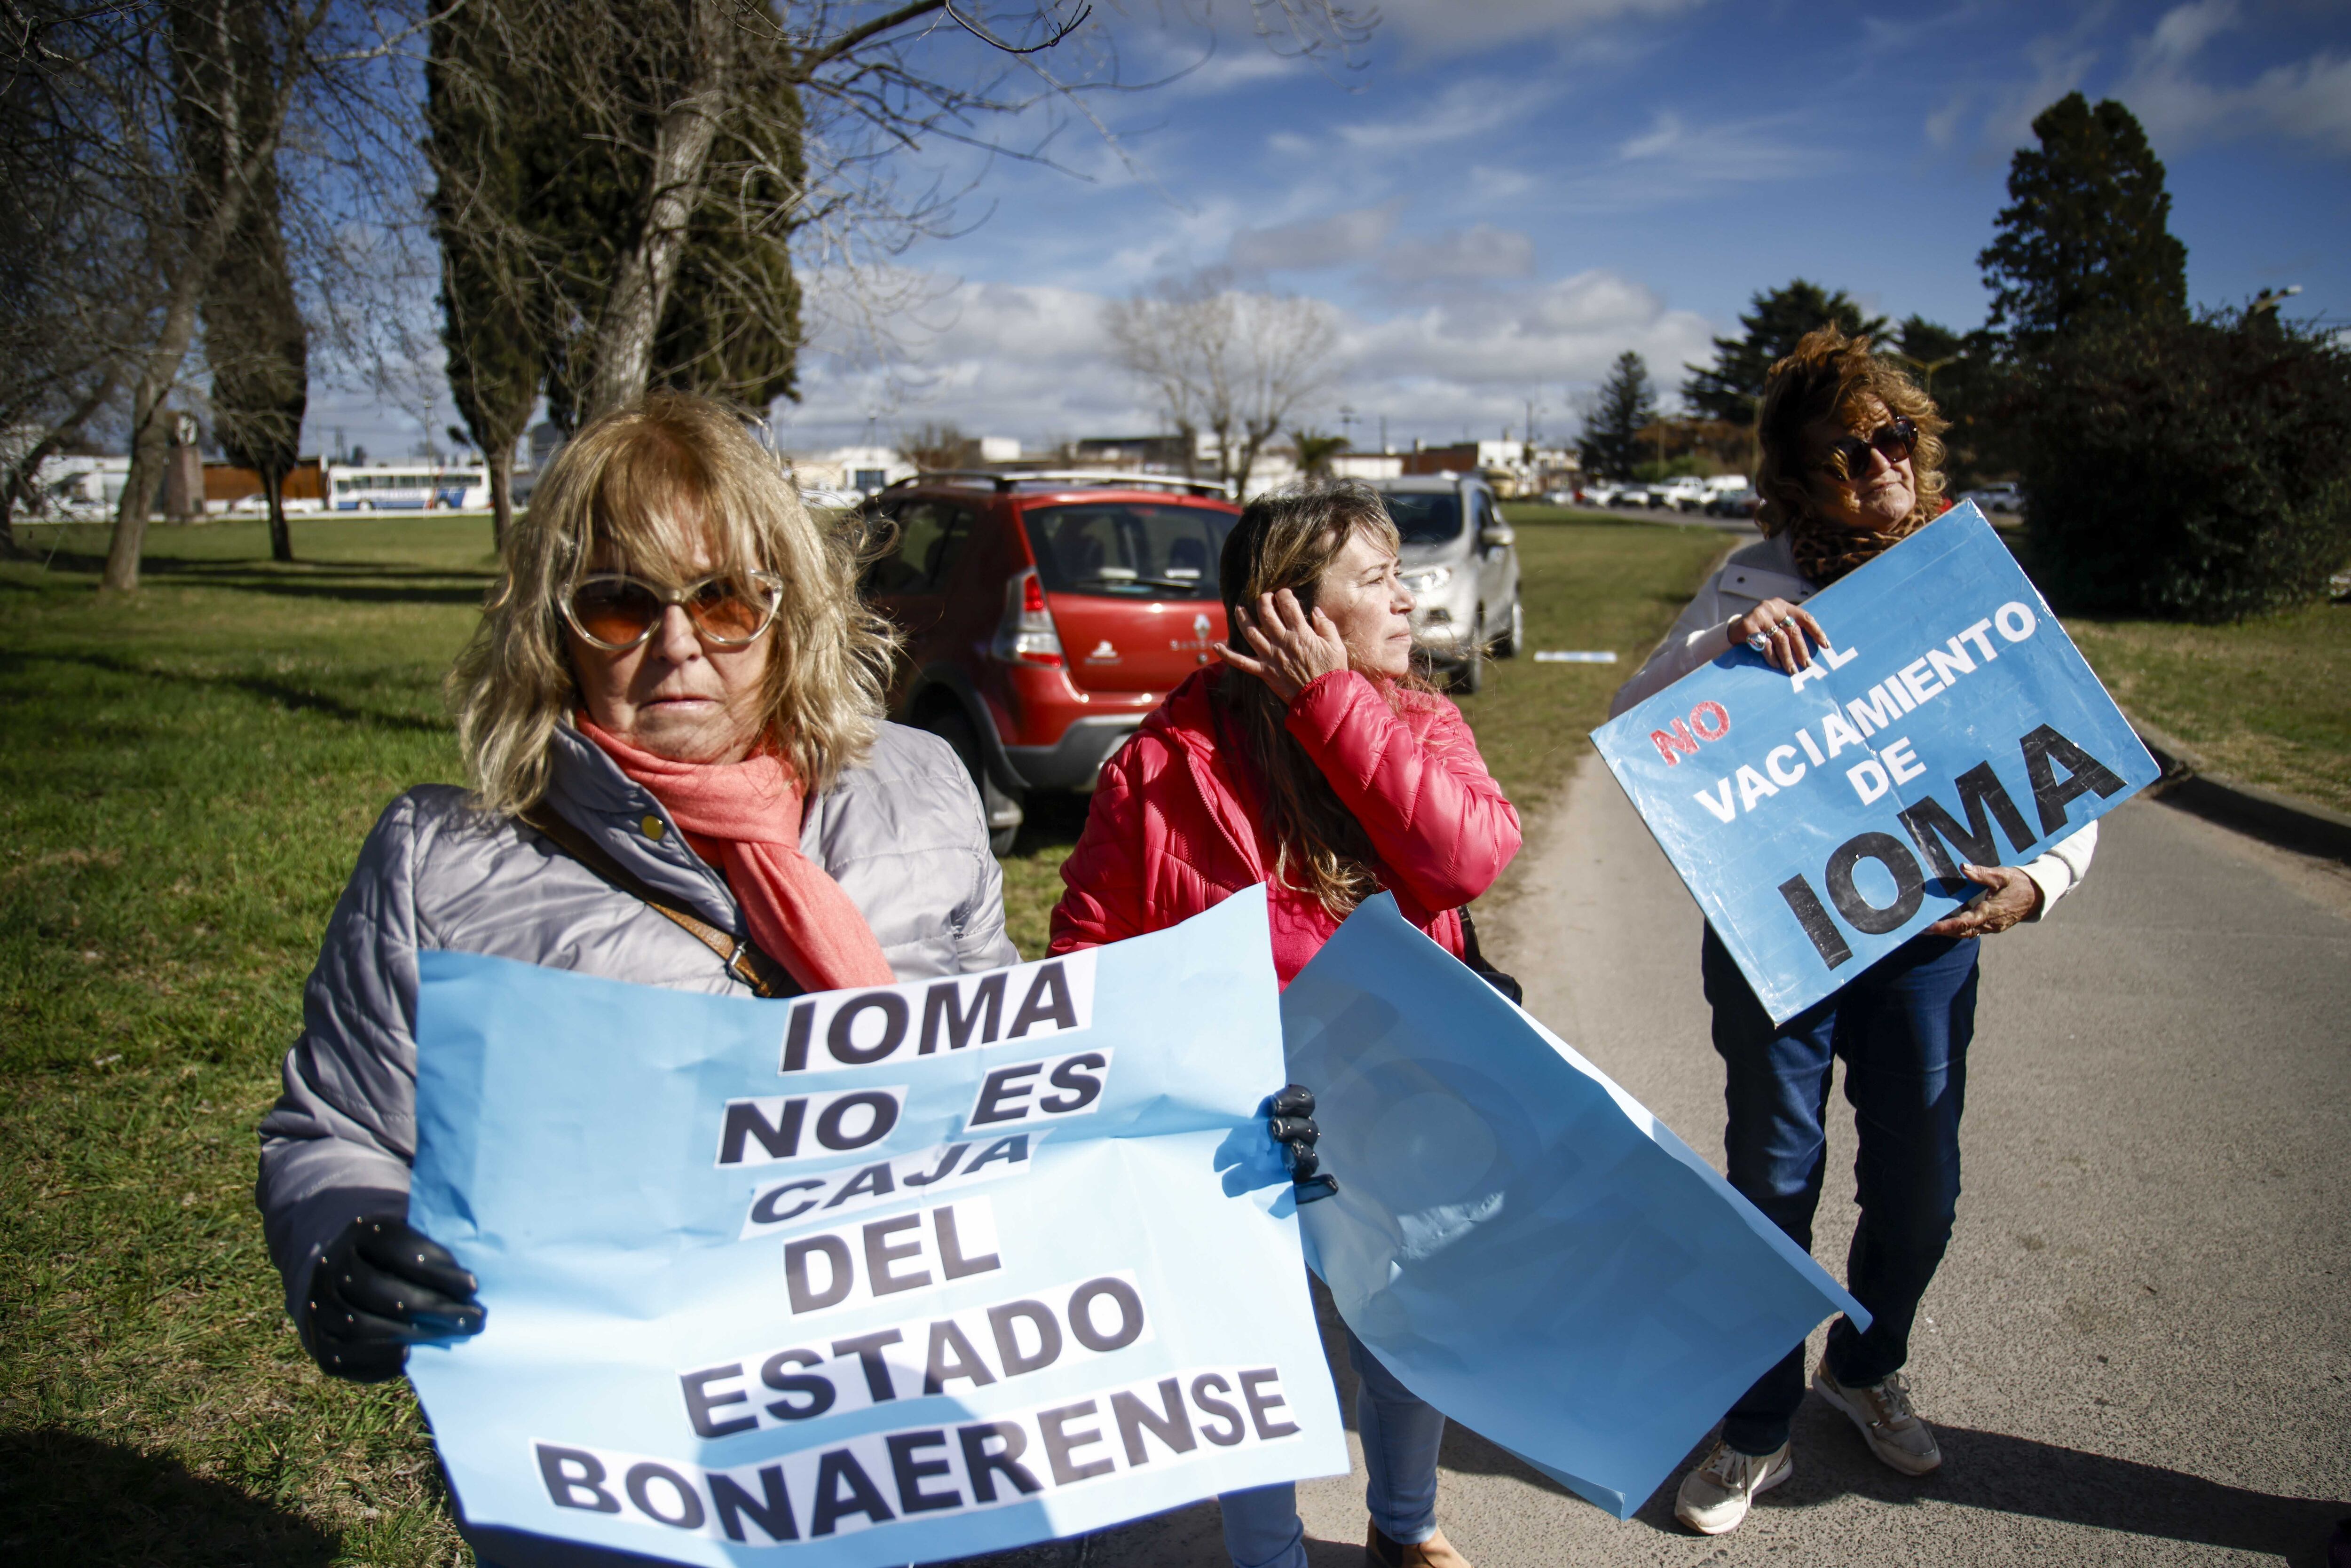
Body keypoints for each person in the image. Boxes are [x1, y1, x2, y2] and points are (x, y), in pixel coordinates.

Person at [256, 392, 1016, 1387]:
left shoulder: (921, 786)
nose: (678, 644)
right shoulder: (438, 863)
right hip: (632, 1446)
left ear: (789, 612)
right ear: (553, 628)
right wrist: (346, 1246)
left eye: (724, 599)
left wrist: (1229, 1133)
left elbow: (1008, 1069)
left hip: (914, 1401)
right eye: (619, 602)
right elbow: (340, 1132)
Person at [1609, 329, 2098, 1536]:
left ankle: (1866, 1365)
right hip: (1779, 936)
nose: (1876, 464)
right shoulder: (1750, 579)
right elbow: (1633, 723)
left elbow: (2065, 748)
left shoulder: (1970, 576)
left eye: (1892, 439)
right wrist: (1722, 649)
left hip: (1930, 934)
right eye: (1844, 450)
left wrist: (2041, 882)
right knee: (1773, 1178)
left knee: (1920, 1184)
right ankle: (1760, 1422)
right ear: (1793, 474)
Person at [1051, 481, 1522, 1568]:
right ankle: (1265, 1554)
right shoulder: (1160, 765)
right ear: (1290, 612)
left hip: (1401, 1095)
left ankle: (1405, 1527)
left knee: (1404, 1329)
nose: (1409, 601)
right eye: (1376, 581)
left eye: (1403, 575)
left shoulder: (1421, 719)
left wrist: (1333, 704)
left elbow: (1463, 859)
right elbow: (1085, 956)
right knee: (1249, 1352)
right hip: (1238, 1122)